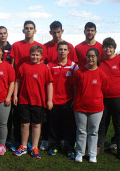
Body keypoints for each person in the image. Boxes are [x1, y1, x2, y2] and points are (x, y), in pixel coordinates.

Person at [40, 20, 78, 151]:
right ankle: (51, 142)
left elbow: (75, 76)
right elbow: (45, 72)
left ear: (62, 31)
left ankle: (67, 144)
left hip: (67, 98)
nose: (56, 34)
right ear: (50, 32)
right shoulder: (46, 49)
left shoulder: (71, 50)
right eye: (54, 32)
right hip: (53, 97)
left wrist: (75, 97)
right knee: (52, 122)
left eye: (58, 32)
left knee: (68, 123)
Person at [10, 20, 47, 151]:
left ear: (35, 31)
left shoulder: (40, 47)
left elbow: (41, 69)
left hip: (35, 91)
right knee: (21, 119)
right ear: (23, 30)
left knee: (36, 121)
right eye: (26, 28)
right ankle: (20, 142)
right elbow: (13, 65)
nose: (29, 30)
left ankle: (34, 144)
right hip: (20, 86)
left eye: (31, 28)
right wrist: (14, 91)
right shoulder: (16, 45)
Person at [13, 45, 53, 159]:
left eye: (37, 55)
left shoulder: (45, 68)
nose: (35, 57)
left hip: (38, 101)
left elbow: (49, 84)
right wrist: (15, 95)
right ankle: (24, 146)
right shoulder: (24, 66)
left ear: (41, 56)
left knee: (36, 124)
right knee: (24, 124)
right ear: (29, 55)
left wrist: (49, 100)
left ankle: (35, 147)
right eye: (33, 54)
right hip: (24, 100)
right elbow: (17, 81)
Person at [97, 37, 120, 160]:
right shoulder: (100, 61)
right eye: (106, 46)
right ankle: (99, 146)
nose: (108, 49)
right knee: (102, 123)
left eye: (110, 47)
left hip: (118, 98)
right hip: (102, 98)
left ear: (114, 48)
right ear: (102, 48)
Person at [73, 48, 108, 163]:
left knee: (93, 131)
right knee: (81, 131)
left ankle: (92, 154)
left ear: (97, 58)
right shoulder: (79, 72)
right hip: (80, 107)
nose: (90, 58)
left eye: (93, 56)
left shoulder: (101, 74)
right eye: (89, 56)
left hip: (96, 108)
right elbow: (75, 88)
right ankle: (80, 153)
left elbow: (104, 89)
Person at [46, 41, 78, 158]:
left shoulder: (74, 66)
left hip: (68, 101)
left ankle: (69, 148)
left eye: (65, 49)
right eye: (60, 49)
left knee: (69, 126)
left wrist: (74, 100)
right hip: (54, 101)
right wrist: (49, 100)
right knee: (54, 125)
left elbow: (76, 85)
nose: (62, 51)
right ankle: (54, 146)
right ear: (57, 50)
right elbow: (47, 84)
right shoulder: (50, 65)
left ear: (69, 51)